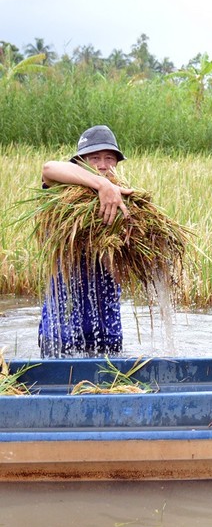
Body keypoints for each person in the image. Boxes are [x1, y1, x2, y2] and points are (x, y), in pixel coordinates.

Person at [38, 125, 134, 357]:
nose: (103, 164)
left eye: (109, 158)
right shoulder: (61, 199)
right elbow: (48, 168)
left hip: (107, 333)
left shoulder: (125, 208)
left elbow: (124, 277)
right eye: (95, 158)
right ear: (79, 163)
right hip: (61, 333)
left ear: (117, 164)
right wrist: (101, 185)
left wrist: (105, 246)